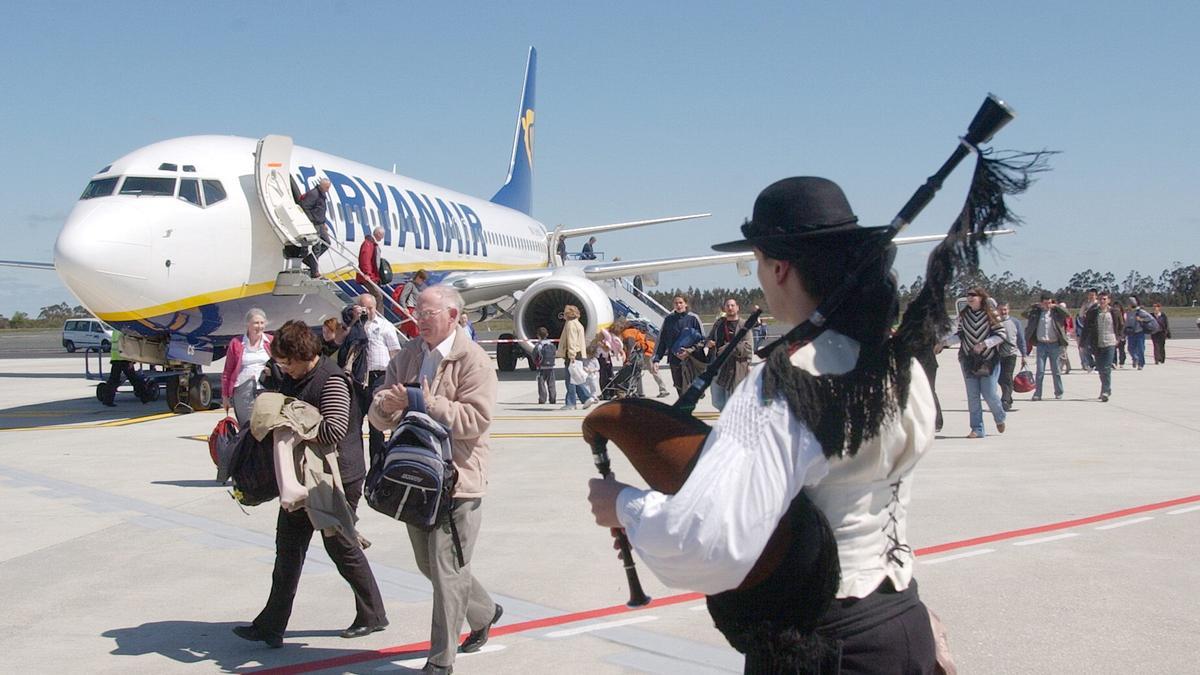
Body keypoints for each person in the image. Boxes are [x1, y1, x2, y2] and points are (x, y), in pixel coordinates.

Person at [588, 177, 939, 672]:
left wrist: (624, 506)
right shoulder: (902, 364)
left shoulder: (784, 383)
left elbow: (711, 542)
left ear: (778, 267)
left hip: (820, 644)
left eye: (756, 262)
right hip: (903, 621)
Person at [368, 286, 502, 675]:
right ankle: (485, 611)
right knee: (431, 564)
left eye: (427, 313)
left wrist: (428, 403)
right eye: (416, 313)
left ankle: (440, 661)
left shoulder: (473, 360)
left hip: (457, 481)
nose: (419, 319)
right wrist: (387, 407)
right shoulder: (409, 355)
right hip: (414, 477)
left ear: (454, 315)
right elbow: (377, 414)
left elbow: (476, 420)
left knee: (446, 570)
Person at [233, 320, 387, 649]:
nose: (284, 369)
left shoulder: (331, 380)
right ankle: (271, 625)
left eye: (288, 362)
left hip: (337, 478)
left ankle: (373, 613)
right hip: (305, 475)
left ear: (305, 355)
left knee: (341, 547)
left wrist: (289, 418)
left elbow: (333, 430)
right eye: (280, 363)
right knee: (288, 548)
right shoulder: (294, 377)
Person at [956, 288, 1007, 438]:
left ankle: (999, 416)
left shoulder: (991, 313)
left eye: (973, 295)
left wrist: (984, 344)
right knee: (972, 396)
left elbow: (1001, 335)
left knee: (989, 393)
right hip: (968, 360)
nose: (970, 298)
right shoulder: (964, 315)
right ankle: (977, 428)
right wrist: (943, 343)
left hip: (989, 360)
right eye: (968, 295)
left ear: (981, 297)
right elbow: (960, 335)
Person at [221, 308, 273, 425]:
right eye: (256, 323)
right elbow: (227, 372)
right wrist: (225, 396)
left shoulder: (270, 341)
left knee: (266, 426)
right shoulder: (236, 343)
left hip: (265, 389)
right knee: (247, 426)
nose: (259, 326)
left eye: (262, 323)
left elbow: (280, 363)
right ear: (247, 324)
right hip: (243, 390)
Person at [705, 298, 754, 411]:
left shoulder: (744, 325)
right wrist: (709, 343)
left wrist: (729, 348)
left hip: (735, 367)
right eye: (728, 305)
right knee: (717, 401)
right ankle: (727, 416)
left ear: (737, 308)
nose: (730, 308)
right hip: (718, 366)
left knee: (730, 399)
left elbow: (748, 347)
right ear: (725, 308)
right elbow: (709, 338)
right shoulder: (719, 324)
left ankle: (728, 421)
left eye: (732, 305)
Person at [653, 296, 705, 396]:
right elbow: (662, 341)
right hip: (675, 360)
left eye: (681, 303)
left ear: (686, 304)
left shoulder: (693, 318)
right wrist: (656, 359)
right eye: (676, 303)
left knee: (692, 390)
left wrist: (689, 351)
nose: (678, 305)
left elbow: (703, 340)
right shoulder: (668, 320)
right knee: (680, 388)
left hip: (691, 359)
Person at [1024, 292, 1069, 400]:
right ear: (1041, 303)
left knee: (1056, 370)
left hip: (1054, 344)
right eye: (1045, 303)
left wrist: (1056, 306)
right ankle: (1038, 393)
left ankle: (1058, 391)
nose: (1047, 305)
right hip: (1041, 344)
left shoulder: (1056, 313)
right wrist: (1033, 305)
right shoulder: (1036, 312)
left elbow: (1067, 315)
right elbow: (1024, 314)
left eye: (1049, 303)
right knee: (1040, 371)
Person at [1082, 291, 1123, 402]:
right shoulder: (1093, 312)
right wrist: (1083, 343)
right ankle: (1105, 388)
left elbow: (1120, 326)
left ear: (1108, 300)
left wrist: (1119, 337)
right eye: (1100, 299)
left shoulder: (1114, 312)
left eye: (1104, 299)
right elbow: (1086, 328)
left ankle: (1106, 390)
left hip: (1110, 342)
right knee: (1100, 368)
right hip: (1097, 343)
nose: (1102, 301)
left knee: (1106, 367)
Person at [556, 305, 595, 409]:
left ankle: (572, 403)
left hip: (572, 354)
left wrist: (571, 355)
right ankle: (585, 398)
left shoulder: (570, 324)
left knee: (570, 380)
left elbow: (571, 340)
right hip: (579, 353)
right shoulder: (578, 324)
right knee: (575, 377)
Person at [100, 328, 150, 406]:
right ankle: (145, 398)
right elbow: (128, 346)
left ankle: (107, 400)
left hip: (115, 358)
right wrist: (132, 361)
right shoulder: (124, 331)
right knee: (134, 379)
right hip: (124, 359)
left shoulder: (115, 331)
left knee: (113, 380)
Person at [620, 322, 669, 398]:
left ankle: (662, 390)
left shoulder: (627, 333)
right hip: (648, 349)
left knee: (640, 370)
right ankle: (642, 391)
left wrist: (627, 359)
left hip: (646, 352)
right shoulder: (633, 331)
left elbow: (630, 345)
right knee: (639, 370)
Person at [996, 301, 1027, 412]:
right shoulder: (993, 322)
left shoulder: (1015, 322)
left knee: (1007, 377)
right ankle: (1008, 397)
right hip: (997, 355)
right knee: (999, 378)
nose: (1003, 312)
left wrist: (1024, 355)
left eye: (1005, 309)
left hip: (1011, 354)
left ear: (1008, 310)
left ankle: (1005, 400)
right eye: (1001, 309)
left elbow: (1021, 339)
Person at [299, 178, 333, 278]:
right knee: (316, 247)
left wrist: (323, 223)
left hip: (321, 224)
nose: (328, 190)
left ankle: (309, 260)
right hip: (315, 224)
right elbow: (305, 206)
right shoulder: (314, 194)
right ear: (321, 185)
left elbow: (320, 210)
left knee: (327, 243)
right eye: (327, 187)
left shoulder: (322, 194)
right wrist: (311, 220)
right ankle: (315, 271)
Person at [1123, 296, 1158, 370]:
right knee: (1130, 348)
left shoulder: (1140, 311)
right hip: (1131, 333)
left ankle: (1141, 364)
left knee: (1141, 349)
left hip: (1139, 332)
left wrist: (1141, 319)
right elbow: (1126, 322)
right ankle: (1135, 358)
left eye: (1129, 303)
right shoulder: (1128, 312)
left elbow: (1150, 318)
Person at [394, 269, 429, 338]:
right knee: (413, 330)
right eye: (422, 279)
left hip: (417, 310)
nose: (423, 281)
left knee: (412, 329)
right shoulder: (410, 285)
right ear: (418, 277)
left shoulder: (419, 287)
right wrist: (404, 308)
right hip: (410, 310)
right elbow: (403, 297)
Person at [357, 226, 385, 306]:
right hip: (369, 276)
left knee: (375, 296)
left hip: (373, 276)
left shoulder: (372, 243)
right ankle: (378, 315)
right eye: (382, 235)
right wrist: (367, 273)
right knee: (378, 296)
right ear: (378, 234)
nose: (383, 237)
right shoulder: (369, 243)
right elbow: (365, 259)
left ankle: (373, 313)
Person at [1076, 288, 1099, 372]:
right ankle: (1091, 363)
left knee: (1096, 348)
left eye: (1093, 295)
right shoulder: (1086, 304)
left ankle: (1098, 364)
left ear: (1096, 296)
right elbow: (1080, 315)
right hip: (1087, 328)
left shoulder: (1098, 305)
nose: (1091, 297)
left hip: (1096, 329)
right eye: (1089, 295)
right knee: (1084, 347)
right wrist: (1084, 307)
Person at [533, 326, 557, 404]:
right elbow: (554, 353)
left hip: (542, 367)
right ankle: (552, 398)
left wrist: (536, 363)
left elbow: (534, 355)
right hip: (551, 367)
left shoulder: (538, 346)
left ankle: (542, 399)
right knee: (551, 384)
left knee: (541, 384)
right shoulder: (551, 344)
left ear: (538, 336)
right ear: (547, 334)